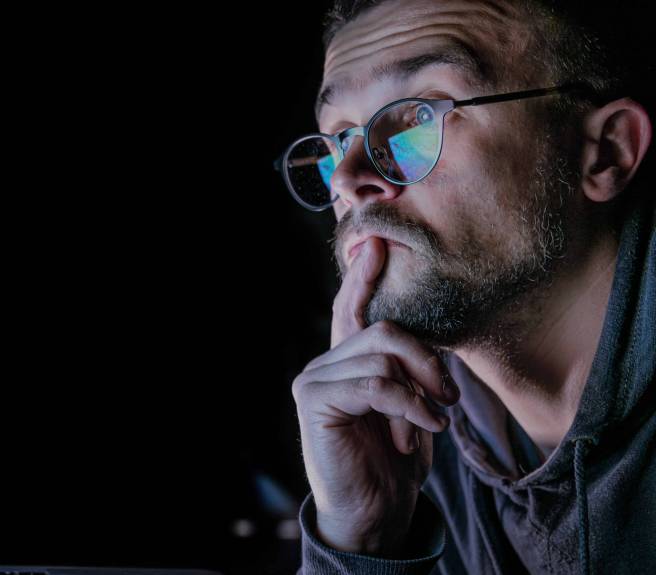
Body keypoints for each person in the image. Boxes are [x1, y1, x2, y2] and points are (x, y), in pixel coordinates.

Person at [279, 1, 656, 573]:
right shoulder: (404, 445)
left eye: (413, 121)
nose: (351, 179)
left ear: (605, 152)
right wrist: (362, 545)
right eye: (337, 138)